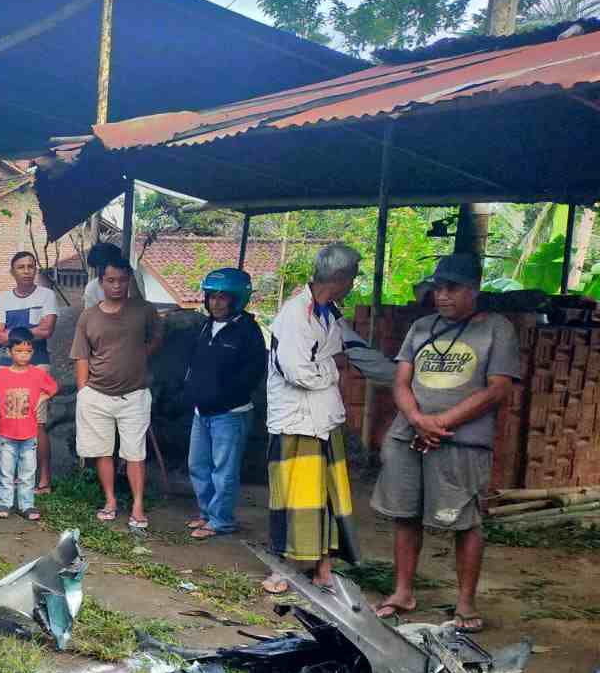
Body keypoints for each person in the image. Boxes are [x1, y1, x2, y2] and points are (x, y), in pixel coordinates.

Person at [371, 253, 519, 631]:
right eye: (438, 288)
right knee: (406, 515)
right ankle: (403, 591)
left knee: (464, 521)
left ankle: (465, 604)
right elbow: (401, 381)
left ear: (473, 290)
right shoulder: (422, 327)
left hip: (461, 442)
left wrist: (441, 423)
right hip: (409, 435)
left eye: (452, 288)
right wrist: (419, 420)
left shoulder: (496, 329)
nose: (443, 296)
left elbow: (498, 389)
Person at [261, 243, 361, 593]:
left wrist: (333, 365)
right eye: (353, 276)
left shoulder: (328, 313)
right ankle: (284, 567)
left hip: (323, 418)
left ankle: (323, 567)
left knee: (326, 497)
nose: (354, 283)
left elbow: (338, 357)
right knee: (296, 497)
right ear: (340, 278)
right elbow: (297, 371)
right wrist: (334, 367)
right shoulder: (294, 314)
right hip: (297, 420)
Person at [70, 253, 164, 530]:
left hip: (134, 394)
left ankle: (137, 505)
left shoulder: (143, 310)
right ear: (101, 282)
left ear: (128, 281)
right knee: (102, 452)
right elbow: (81, 356)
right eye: (111, 280)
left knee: (135, 453)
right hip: (96, 394)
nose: (116, 286)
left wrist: (141, 354)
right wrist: (82, 392)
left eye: (122, 280)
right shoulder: (89, 316)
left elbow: (157, 336)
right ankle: (110, 501)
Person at [183, 268, 266, 540]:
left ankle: (221, 521)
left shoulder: (248, 332)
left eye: (223, 298)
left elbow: (251, 375)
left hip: (230, 414)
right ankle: (207, 514)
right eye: (212, 297)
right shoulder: (206, 326)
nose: (216, 303)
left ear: (237, 300)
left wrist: (222, 399)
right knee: (198, 465)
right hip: (201, 413)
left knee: (224, 472)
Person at [0, 251, 62, 493]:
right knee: (9, 420)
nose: (27, 270)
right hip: (7, 367)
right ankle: (10, 478)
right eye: (21, 267)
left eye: (31, 266)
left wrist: (13, 334)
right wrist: (30, 332)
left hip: (38, 364)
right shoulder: (3, 299)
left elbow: (47, 330)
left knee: (37, 422)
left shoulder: (46, 296)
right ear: (13, 271)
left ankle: (44, 480)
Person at [0, 329, 58, 521]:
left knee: (28, 471)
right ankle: (5, 503)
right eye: (19, 351)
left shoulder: (37, 374)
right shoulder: (1, 374)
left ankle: (26, 505)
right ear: (9, 352)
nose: (24, 355)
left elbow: (53, 387)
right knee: (5, 470)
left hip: (29, 433)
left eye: (28, 351)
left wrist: (41, 399)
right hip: (6, 433)